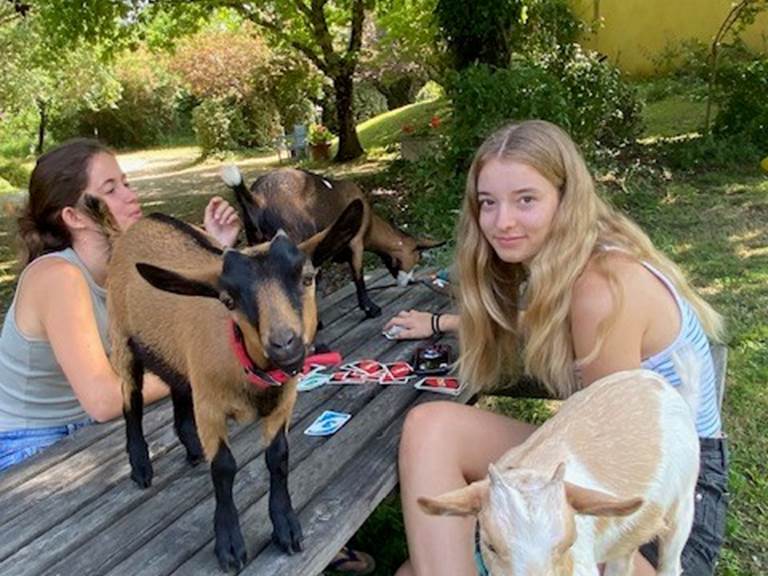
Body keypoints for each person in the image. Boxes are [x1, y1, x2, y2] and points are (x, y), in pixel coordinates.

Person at [394, 120, 728, 576]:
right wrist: (441, 322)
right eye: (487, 203)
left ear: (565, 199)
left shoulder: (601, 288)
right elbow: (536, 323)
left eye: (525, 199)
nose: (501, 221)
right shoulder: (574, 260)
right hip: (606, 454)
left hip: (666, 488)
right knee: (431, 427)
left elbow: (617, 446)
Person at [0, 138, 240, 471]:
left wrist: (215, 247)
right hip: (28, 448)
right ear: (74, 216)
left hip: (89, 433)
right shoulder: (58, 278)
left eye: (126, 183)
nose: (130, 195)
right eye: (110, 189)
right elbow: (104, 400)